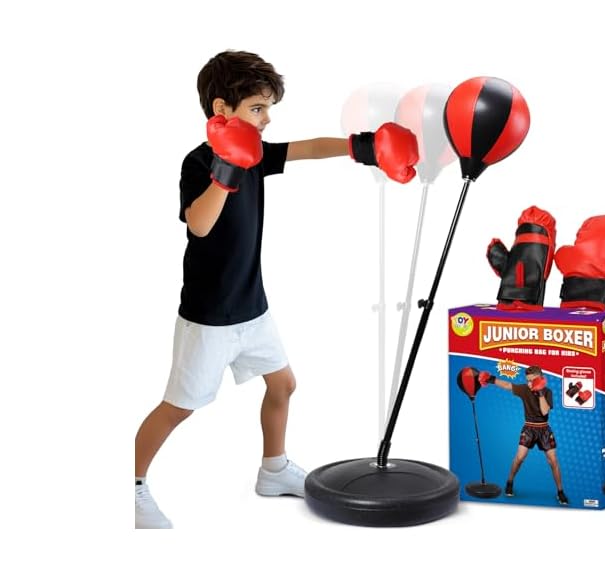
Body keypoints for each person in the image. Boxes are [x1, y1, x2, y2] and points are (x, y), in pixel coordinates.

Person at [134, 50, 418, 529]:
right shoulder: (198, 162)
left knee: (283, 384)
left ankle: (273, 469)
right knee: (179, 407)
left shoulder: (258, 154)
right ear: (222, 109)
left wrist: (363, 148)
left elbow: (308, 148)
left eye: (268, 109)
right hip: (209, 317)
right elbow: (199, 225)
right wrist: (227, 168)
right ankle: (131, 484)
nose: (266, 119)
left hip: (253, 307)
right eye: (257, 108)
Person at [479, 365, 569, 505]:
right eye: (528, 380)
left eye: (532, 380)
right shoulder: (525, 389)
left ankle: (560, 491)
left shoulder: (547, 392)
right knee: (519, 458)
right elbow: (508, 385)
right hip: (529, 428)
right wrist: (491, 379)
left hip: (544, 429)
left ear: (541, 379)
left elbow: (545, 411)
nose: (529, 383)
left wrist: (540, 392)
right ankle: (509, 482)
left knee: (553, 461)